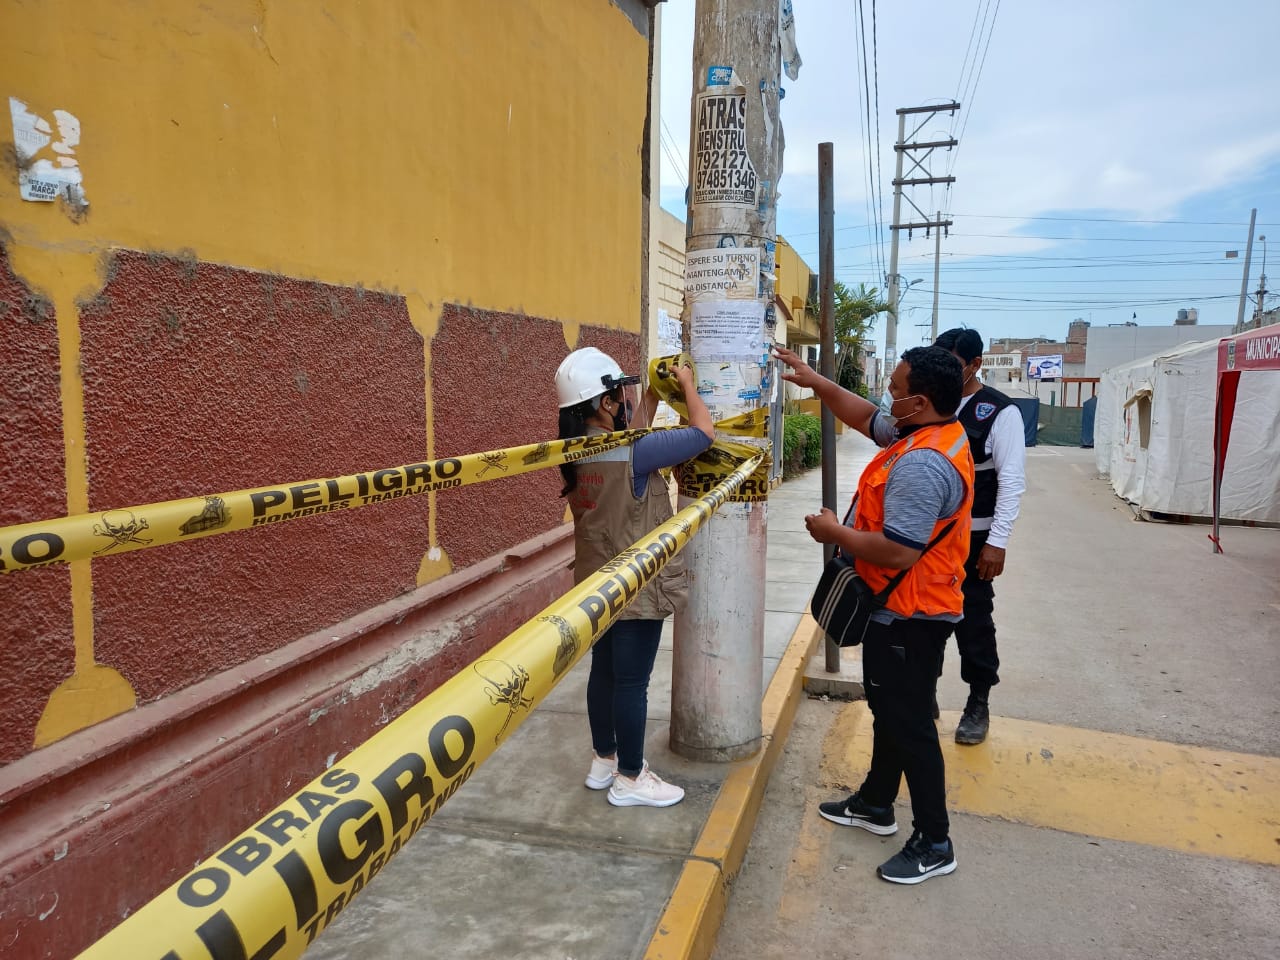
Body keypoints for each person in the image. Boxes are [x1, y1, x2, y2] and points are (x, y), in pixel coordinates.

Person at [773, 343, 973, 884]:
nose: (889, 393)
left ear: (921, 401)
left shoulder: (924, 465)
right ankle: (877, 803)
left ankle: (935, 840)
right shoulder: (923, 432)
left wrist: (834, 532)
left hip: (912, 612)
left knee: (909, 725)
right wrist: (816, 381)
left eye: (899, 387)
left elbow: (899, 550)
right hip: (903, 609)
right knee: (890, 711)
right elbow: (864, 415)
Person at [555, 347, 715, 808]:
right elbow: (703, 433)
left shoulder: (574, 450)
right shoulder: (637, 452)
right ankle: (630, 777)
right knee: (631, 683)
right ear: (604, 404)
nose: (625, 400)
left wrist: (649, 396)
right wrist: (686, 383)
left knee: (603, 673)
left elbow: (630, 445)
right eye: (619, 394)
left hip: (593, 581)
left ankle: (604, 760)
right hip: (635, 584)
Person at [933, 328, 1027, 745]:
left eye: (954, 364)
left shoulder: (998, 412)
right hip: (928, 540)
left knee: (972, 621)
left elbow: (1012, 481)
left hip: (973, 541)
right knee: (922, 618)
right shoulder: (932, 402)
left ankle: (978, 701)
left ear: (975, 365)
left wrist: (997, 542)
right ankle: (924, 694)